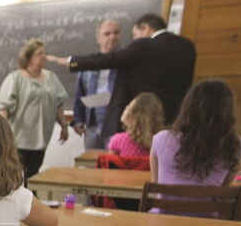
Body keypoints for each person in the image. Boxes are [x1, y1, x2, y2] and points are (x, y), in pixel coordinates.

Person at [141, 79, 241, 226]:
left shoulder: (160, 139)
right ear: (228, 111)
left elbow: (156, 185)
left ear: (188, 106)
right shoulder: (237, 146)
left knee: (160, 219)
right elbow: (222, 194)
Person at [47, 13, 196, 144]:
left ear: (146, 28)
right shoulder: (187, 46)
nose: (135, 39)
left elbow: (110, 59)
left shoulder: (144, 46)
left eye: (135, 34)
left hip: (142, 120)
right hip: (176, 119)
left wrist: (69, 61)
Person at [0, 38, 68, 179]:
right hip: (19, 138)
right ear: (28, 56)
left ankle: (31, 199)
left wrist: (64, 126)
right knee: (17, 176)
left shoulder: (51, 77)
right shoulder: (15, 78)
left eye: (45, 53)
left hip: (41, 137)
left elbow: (58, 103)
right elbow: (3, 106)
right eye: (39, 53)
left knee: (34, 174)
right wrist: (2, 131)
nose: (44, 56)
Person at [71, 19, 121, 150]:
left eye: (116, 33)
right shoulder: (87, 65)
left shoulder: (126, 65)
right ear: (98, 38)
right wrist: (78, 120)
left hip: (117, 128)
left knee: (113, 167)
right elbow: (80, 94)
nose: (112, 37)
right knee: (90, 166)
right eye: (107, 34)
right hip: (92, 126)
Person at [107, 92, 164, 158]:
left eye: (129, 106)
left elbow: (109, 166)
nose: (126, 107)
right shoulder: (162, 143)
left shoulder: (118, 141)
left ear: (133, 115)